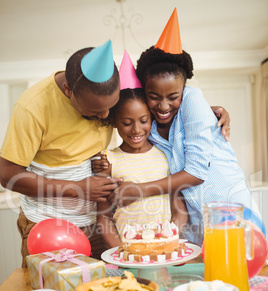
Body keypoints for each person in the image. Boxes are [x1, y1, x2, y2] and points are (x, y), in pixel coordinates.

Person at [95, 9, 264, 246]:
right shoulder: (149, 126)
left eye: (173, 96)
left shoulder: (193, 99)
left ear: (183, 90)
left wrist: (139, 190)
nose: (163, 106)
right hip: (195, 220)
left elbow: (195, 172)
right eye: (154, 96)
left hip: (228, 206)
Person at [0, 40, 123, 266]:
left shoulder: (109, 100)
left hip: (97, 225)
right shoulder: (32, 107)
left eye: (111, 106)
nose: (106, 115)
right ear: (68, 90)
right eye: (95, 111)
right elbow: (8, 175)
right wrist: (77, 188)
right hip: (46, 225)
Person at [97, 51, 188, 248]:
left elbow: (180, 211)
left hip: (164, 249)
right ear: (114, 122)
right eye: (127, 123)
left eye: (144, 121)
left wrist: (167, 241)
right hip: (129, 252)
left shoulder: (166, 155)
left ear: (152, 118)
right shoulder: (108, 160)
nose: (137, 130)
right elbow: (103, 219)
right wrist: (121, 251)